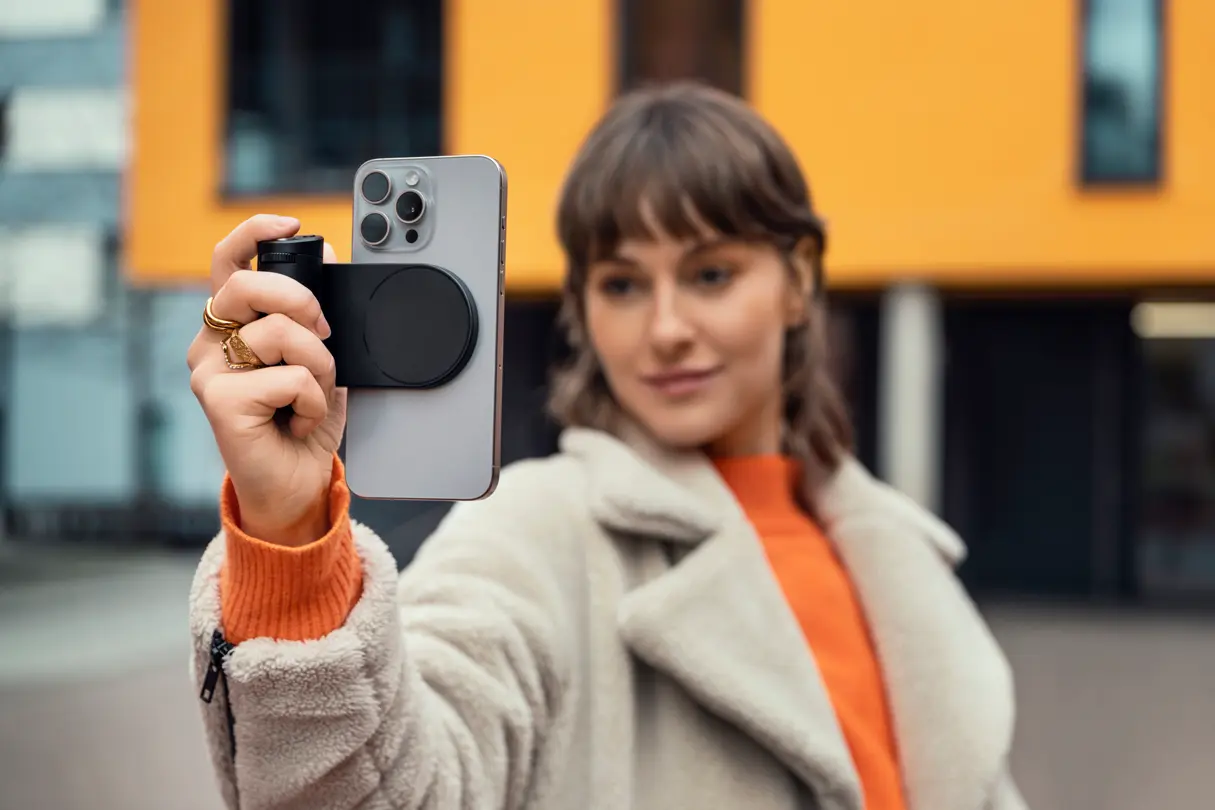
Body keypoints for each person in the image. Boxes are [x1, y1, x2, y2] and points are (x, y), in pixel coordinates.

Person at [186, 82, 1029, 810]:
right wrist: (290, 533)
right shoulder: (538, 530)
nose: (665, 329)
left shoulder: (894, 547)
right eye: (622, 284)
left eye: (709, 274)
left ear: (799, 278)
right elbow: (389, 790)